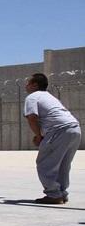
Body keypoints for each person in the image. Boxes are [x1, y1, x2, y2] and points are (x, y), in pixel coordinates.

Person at [24, 73, 81, 204]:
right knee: (63, 165)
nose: (26, 85)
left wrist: (39, 137)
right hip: (74, 128)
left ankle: (54, 194)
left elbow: (32, 118)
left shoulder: (32, 97)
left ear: (34, 85)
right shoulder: (49, 96)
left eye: (28, 82)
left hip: (59, 130)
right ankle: (61, 193)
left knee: (45, 164)